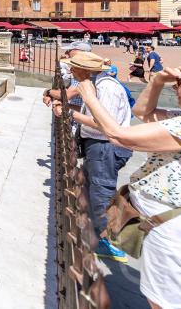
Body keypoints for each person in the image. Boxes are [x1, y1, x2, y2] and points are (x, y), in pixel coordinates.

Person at [74, 59, 181, 309]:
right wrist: (157, 81)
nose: (176, 90)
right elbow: (143, 113)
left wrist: (89, 96)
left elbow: (120, 135)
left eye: (180, 85)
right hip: (176, 231)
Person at [51, 52, 133, 262]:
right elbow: (94, 115)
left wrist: (70, 114)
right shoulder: (95, 85)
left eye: (74, 67)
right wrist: (70, 109)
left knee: (101, 193)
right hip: (98, 147)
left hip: (106, 147)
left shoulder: (106, 88)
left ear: (86, 70)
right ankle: (94, 232)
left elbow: (104, 125)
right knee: (92, 189)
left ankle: (110, 243)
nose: (70, 71)